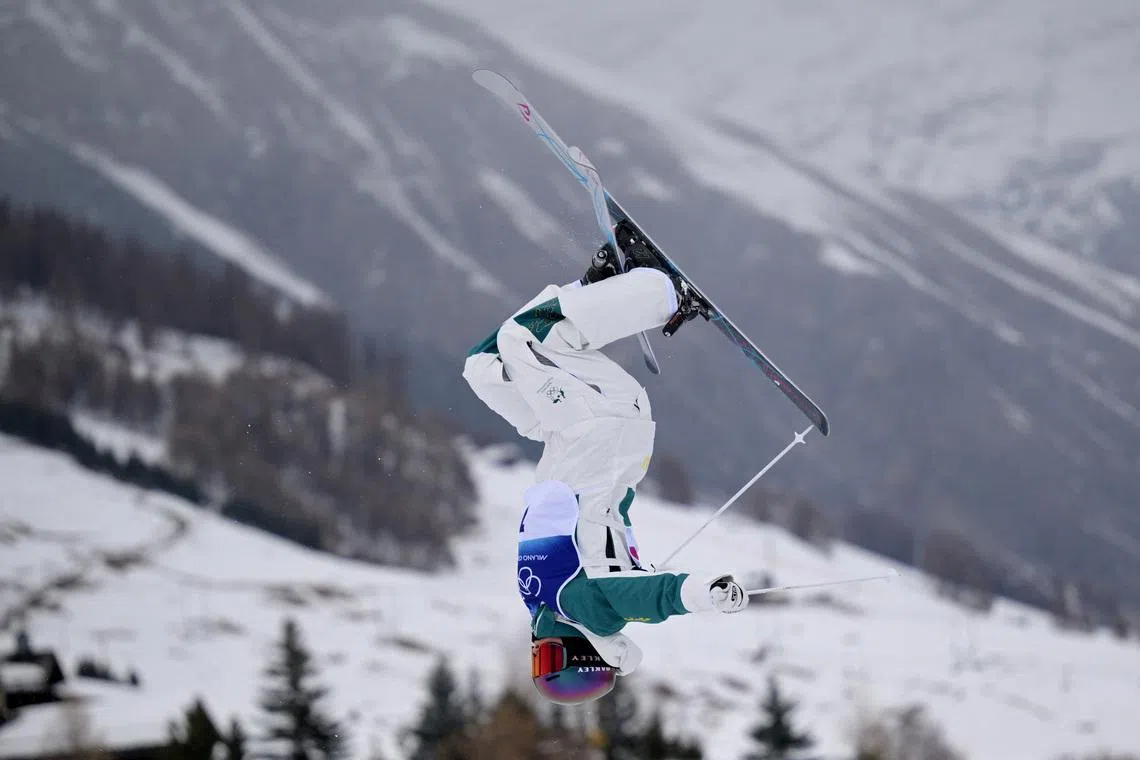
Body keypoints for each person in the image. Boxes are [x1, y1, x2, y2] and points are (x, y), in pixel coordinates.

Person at [462, 223, 750, 705]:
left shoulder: (543, 604)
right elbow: (652, 598)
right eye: (554, 660)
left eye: (539, 664)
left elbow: (604, 521)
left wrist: (619, 495)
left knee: (484, 366)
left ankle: (603, 288)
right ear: (585, 653)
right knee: (525, 340)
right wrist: (703, 594)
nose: (541, 651)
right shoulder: (591, 609)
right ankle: (661, 292)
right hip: (597, 425)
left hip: (573, 435)